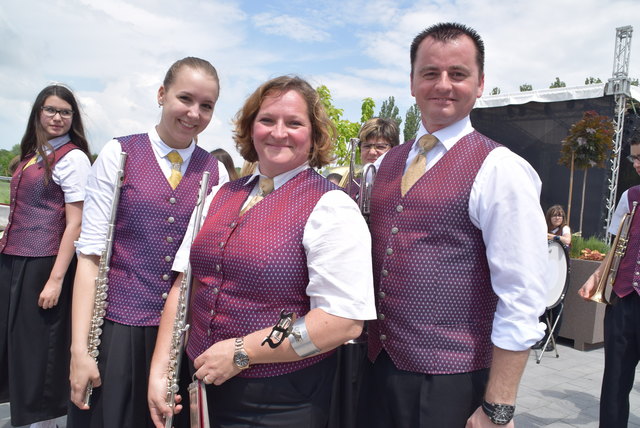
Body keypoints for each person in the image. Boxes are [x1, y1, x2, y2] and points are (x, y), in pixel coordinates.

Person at [148, 75, 375, 428]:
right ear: (251, 127)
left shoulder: (331, 207)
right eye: (267, 119)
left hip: (278, 402)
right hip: (198, 389)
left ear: (314, 135)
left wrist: (242, 353)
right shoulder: (220, 195)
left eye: (294, 123)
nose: (278, 132)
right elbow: (184, 285)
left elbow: (342, 322)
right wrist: (161, 369)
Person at [358, 22, 549, 427]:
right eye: (430, 73)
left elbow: (522, 295)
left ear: (480, 84)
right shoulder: (387, 164)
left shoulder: (502, 169)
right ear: (412, 83)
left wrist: (499, 407)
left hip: (452, 381)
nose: (443, 84)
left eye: (458, 74)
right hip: (376, 368)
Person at [68, 57, 228, 428]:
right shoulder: (118, 153)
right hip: (117, 331)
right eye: (185, 98)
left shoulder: (214, 170)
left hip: (180, 338)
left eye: (206, 106)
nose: (194, 113)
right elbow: (90, 257)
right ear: (161, 94)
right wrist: (79, 350)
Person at [0, 84, 91, 428]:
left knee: (39, 348)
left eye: (65, 112)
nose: (57, 117)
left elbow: (75, 224)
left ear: (73, 118)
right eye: (51, 110)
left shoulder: (74, 158)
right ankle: (21, 414)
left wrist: (55, 279)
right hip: (14, 258)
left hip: (44, 263)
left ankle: (42, 420)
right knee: (14, 343)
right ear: (38, 112)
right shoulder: (32, 155)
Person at [579, 130, 640, 428]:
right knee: (615, 380)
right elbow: (615, 247)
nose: (637, 163)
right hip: (624, 299)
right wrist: (596, 276)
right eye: (634, 157)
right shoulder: (630, 197)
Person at [532, 205, 571, 352]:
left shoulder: (564, 229)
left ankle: (552, 339)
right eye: (554, 215)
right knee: (542, 307)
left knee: (557, 307)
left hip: (560, 274)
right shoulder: (544, 227)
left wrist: (551, 236)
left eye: (560, 215)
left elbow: (567, 240)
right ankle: (541, 337)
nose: (557, 218)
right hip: (545, 272)